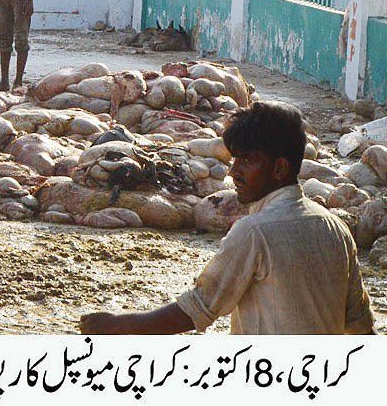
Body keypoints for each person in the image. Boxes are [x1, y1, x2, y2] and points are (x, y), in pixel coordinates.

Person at [80, 102, 374, 335]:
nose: (233, 172)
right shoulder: (335, 227)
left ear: (280, 168)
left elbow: (198, 308)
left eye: (247, 160)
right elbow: (360, 324)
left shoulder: (254, 232)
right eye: (235, 160)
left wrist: (119, 326)